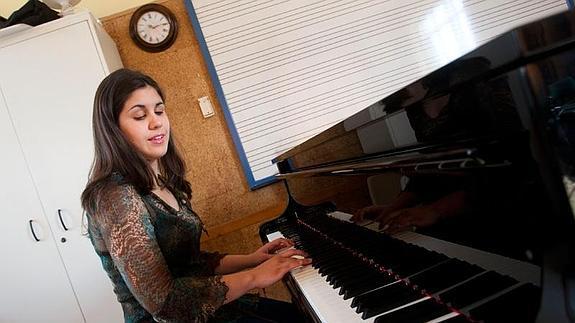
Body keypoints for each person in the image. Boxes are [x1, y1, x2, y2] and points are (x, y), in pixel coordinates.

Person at [81, 68, 311, 323]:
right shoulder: (114, 196)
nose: (157, 122)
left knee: (302, 316)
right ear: (114, 130)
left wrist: (253, 259)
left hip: (202, 305)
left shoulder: (165, 182)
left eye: (159, 111)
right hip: (171, 317)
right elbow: (164, 302)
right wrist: (254, 276)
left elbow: (190, 263)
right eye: (139, 115)